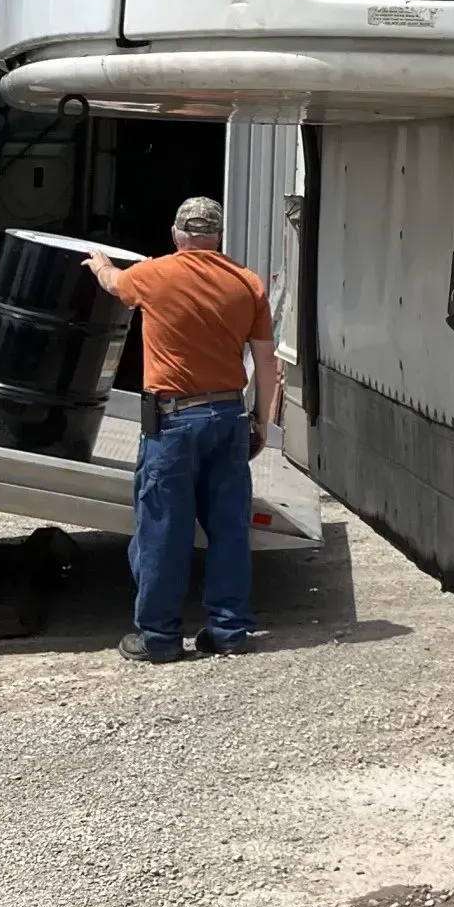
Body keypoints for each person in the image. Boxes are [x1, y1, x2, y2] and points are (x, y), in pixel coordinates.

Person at [85, 197, 282, 662]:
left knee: (163, 528)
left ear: (177, 235)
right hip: (230, 418)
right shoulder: (246, 283)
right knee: (230, 527)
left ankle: (158, 637)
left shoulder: (153, 275)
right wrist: (261, 421)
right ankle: (230, 631)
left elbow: (115, 283)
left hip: (174, 421)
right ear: (218, 238)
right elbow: (268, 362)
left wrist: (100, 265)